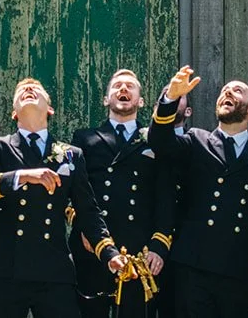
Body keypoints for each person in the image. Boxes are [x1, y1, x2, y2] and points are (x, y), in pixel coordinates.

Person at [0, 78, 126, 318]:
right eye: (21, 90)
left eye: (36, 89)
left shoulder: (71, 155)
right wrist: (23, 176)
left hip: (54, 269)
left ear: (50, 109)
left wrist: (109, 253)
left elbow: (88, 211)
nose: (28, 90)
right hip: (7, 266)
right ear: (13, 112)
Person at [147, 65, 248, 318]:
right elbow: (159, 140)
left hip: (239, 267)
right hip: (192, 265)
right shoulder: (196, 140)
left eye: (237, 91)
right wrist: (169, 98)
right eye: (224, 91)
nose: (228, 93)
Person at [71, 69, 174, 318]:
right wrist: (83, 228)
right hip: (92, 245)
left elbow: (166, 195)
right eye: (117, 86)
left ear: (140, 101)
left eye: (130, 86)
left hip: (139, 248)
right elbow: (73, 192)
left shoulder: (155, 139)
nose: (123, 89)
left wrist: (160, 244)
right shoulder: (85, 137)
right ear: (106, 99)